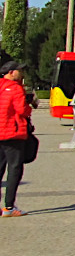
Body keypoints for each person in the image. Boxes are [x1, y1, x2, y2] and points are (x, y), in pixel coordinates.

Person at [0, 61, 33, 217]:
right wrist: (30, 105)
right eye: (20, 70)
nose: (22, 73)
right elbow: (22, 110)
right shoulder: (15, 88)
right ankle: (9, 206)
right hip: (12, 133)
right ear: (12, 72)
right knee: (14, 169)